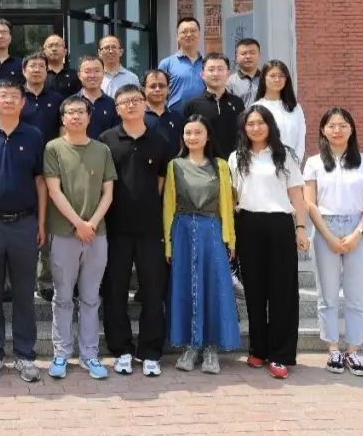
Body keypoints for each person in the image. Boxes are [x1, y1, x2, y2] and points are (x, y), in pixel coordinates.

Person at [0, 78, 47, 383]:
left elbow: (40, 181)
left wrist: (41, 223)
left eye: (15, 96)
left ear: (23, 102)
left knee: (24, 294)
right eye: (3, 95)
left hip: (25, 223)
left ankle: (25, 355)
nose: (9, 100)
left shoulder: (34, 135)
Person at [229, 104, 310, 379]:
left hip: (279, 224)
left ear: (270, 125)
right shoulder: (236, 157)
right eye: (250, 124)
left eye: (260, 123)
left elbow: (297, 194)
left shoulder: (284, 155)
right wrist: (231, 236)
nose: (255, 128)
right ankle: (258, 349)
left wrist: (301, 228)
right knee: (254, 291)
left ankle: (280, 354)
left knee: (281, 292)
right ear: (244, 128)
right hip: (247, 224)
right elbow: (233, 196)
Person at [303, 108, 363, 377]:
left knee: (357, 295)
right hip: (324, 228)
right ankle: (333, 349)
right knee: (327, 294)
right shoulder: (314, 163)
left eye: (343, 125)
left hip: (358, 228)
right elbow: (310, 203)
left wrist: (358, 233)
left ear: (351, 129)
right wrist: (328, 236)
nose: (337, 130)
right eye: (331, 125)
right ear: (323, 130)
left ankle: (353, 350)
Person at [44, 96, 116, 381]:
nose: (75, 116)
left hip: (97, 234)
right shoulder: (53, 148)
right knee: (62, 296)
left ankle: (89, 354)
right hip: (64, 232)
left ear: (89, 117)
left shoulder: (102, 149)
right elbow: (54, 190)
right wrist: (78, 223)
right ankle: (61, 353)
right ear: (63, 118)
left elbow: (108, 193)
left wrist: (92, 223)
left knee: (90, 297)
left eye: (80, 112)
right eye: (70, 112)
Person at [100, 84, 170, 377]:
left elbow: (162, 183)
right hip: (115, 229)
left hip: (150, 228)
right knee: (115, 290)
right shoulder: (106, 140)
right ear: (117, 109)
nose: (131, 105)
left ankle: (151, 351)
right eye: (124, 102)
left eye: (135, 100)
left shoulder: (160, 140)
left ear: (145, 104)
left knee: (153, 290)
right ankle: (122, 349)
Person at [161, 114, 240, 374]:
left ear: (207, 137)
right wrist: (168, 243)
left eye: (198, 132)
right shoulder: (174, 166)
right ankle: (190, 347)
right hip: (182, 230)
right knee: (185, 286)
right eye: (188, 133)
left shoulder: (220, 166)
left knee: (213, 287)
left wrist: (230, 238)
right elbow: (168, 207)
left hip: (212, 231)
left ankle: (210, 348)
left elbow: (226, 205)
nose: (192, 137)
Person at [20, 52, 63, 300]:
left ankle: (45, 280)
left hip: (49, 167)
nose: (36, 70)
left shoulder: (56, 99)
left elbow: (62, 131)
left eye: (41, 66)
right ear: (24, 70)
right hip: (21, 165)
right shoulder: (16, 96)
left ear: (47, 71)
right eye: (32, 66)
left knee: (47, 223)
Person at [183, 52, 245, 160]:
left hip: (234, 161)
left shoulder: (238, 102)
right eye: (211, 70)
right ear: (202, 74)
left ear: (228, 73)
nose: (216, 74)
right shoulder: (192, 105)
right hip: (204, 163)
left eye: (220, 69)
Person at [254, 60, 307, 160]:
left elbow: (301, 139)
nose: (277, 79)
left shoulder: (295, 108)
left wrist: (296, 162)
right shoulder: (257, 108)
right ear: (264, 78)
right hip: (266, 162)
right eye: (272, 76)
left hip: (292, 163)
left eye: (281, 76)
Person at [158, 16, 205, 112]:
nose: (189, 34)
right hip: (175, 116)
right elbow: (158, 92)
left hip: (203, 116)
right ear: (177, 37)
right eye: (184, 32)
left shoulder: (207, 63)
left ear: (199, 35)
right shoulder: (166, 63)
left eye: (193, 31)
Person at [72, 55, 119, 140]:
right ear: (79, 75)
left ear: (103, 74)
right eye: (87, 71)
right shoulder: (70, 103)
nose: (92, 75)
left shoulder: (112, 104)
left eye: (97, 71)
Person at [142, 69, 183, 159]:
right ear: (144, 89)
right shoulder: (136, 118)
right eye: (152, 86)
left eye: (161, 86)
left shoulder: (178, 118)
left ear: (168, 89)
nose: (157, 89)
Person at [226, 38, 262, 107]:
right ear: (237, 56)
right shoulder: (230, 82)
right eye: (243, 53)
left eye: (252, 53)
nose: (248, 56)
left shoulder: (266, 79)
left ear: (259, 55)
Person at [43, 34, 80, 98]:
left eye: (57, 45)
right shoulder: (39, 74)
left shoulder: (76, 75)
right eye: (50, 46)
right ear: (44, 52)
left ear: (65, 51)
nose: (54, 49)